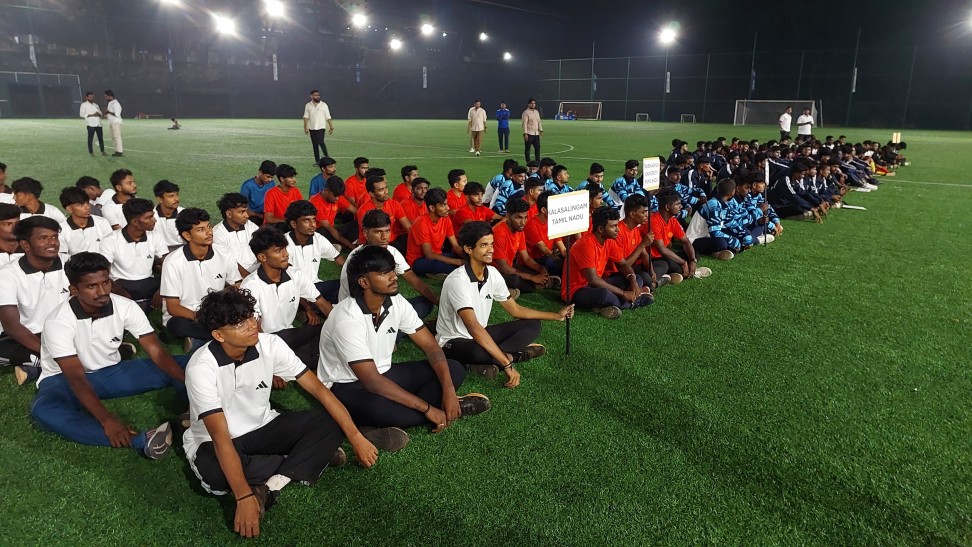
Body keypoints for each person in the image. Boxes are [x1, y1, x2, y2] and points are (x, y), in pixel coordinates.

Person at [183, 287, 390, 539]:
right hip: (217, 440)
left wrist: (356, 436)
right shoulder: (201, 367)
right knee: (216, 478)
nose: (251, 325)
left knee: (328, 422)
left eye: (250, 316)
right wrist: (244, 496)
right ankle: (311, 458)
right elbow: (220, 437)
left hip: (264, 426)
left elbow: (319, 391)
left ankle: (273, 482)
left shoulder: (270, 344)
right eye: (239, 323)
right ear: (218, 335)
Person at [320, 245, 492, 435]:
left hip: (384, 373)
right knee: (381, 410)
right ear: (364, 282)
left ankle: (387, 421)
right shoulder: (346, 317)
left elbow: (431, 347)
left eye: (393, 270)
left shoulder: (397, 302)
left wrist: (449, 390)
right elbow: (372, 382)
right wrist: (427, 408)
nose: (394, 277)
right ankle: (421, 413)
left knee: (454, 369)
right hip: (347, 385)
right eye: (384, 273)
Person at [30, 252, 188, 457]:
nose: (102, 291)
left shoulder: (125, 306)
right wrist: (107, 419)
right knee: (43, 411)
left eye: (105, 283)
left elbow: (157, 352)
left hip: (112, 373)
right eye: (91, 286)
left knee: (187, 363)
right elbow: (76, 378)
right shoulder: (58, 322)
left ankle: (192, 409)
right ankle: (141, 441)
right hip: (63, 381)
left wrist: (190, 388)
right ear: (74, 290)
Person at [437, 221, 573, 385]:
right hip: (453, 342)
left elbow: (515, 310)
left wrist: (556, 315)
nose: (491, 250)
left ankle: (491, 360)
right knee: (478, 350)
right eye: (484, 245)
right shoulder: (458, 281)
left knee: (533, 326)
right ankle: (513, 355)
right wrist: (507, 364)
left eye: (492, 244)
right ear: (468, 249)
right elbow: (473, 327)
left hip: (481, 334)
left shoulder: (492, 273)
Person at [240, 227, 331, 369]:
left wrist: (340, 328)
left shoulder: (296, 274)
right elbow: (254, 329)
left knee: (326, 328)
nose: (286, 255)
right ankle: (281, 362)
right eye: (278, 251)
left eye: (284, 249)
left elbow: (322, 303)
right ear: (262, 257)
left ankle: (290, 361)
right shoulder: (250, 286)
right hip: (267, 339)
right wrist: (267, 353)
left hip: (289, 333)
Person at [0, 216, 70, 384]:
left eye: (54, 237)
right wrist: (48, 351)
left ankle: (34, 367)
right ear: (26, 245)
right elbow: (12, 327)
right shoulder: (7, 275)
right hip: (24, 336)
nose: (52, 243)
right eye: (43, 238)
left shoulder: (70, 263)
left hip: (63, 331)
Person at [161, 208, 242, 347]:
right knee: (177, 324)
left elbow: (237, 284)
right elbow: (173, 307)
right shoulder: (172, 262)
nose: (209, 232)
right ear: (187, 235)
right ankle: (226, 336)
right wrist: (201, 317)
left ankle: (199, 341)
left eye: (209, 227)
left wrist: (222, 304)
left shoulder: (223, 253)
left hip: (216, 310)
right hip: (188, 315)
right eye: (200, 230)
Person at [338, 210, 438, 322]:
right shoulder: (357, 258)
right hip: (360, 313)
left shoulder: (392, 251)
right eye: (378, 232)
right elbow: (360, 298)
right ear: (366, 233)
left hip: (384, 305)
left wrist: (440, 304)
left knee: (425, 302)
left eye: (387, 231)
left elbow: (415, 281)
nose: (385, 237)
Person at [562, 207, 651, 319]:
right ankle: (634, 300)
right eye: (613, 226)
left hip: (598, 284)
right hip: (576, 291)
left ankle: (615, 303)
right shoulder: (586, 245)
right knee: (604, 294)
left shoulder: (609, 241)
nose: (618, 229)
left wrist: (633, 282)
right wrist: (623, 293)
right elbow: (593, 280)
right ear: (600, 229)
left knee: (638, 278)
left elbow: (623, 264)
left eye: (617, 225)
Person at [99, 198, 168, 310]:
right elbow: (102, 272)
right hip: (121, 283)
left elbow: (168, 264)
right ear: (135, 222)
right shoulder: (110, 241)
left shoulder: (155, 236)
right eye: (149, 217)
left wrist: (164, 289)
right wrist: (118, 291)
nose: (154, 220)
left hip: (148, 282)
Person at [282, 200, 345, 303]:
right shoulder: (283, 245)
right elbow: (286, 281)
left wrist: (355, 272)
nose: (313, 225)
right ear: (294, 224)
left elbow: (339, 259)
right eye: (306, 221)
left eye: (314, 220)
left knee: (347, 285)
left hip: (315, 287)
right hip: (294, 291)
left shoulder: (318, 239)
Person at [491, 198, 556, 293]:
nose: (523, 222)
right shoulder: (499, 233)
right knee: (514, 280)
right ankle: (533, 285)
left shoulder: (519, 230)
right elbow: (503, 267)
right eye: (518, 218)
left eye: (525, 217)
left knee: (534, 270)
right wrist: (532, 277)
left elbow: (526, 258)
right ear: (508, 216)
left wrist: (541, 269)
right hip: (495, 272)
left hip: (510, 267)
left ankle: (534, 284)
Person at [649, 190, 709, 281]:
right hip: (654, 258)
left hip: (665, 255)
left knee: (694, 254)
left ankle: (678, 272)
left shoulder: (672, 220)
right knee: (670, 264)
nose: (681, 206)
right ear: (667, 207)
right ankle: (676, 273)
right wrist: (683, 262)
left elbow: (686, 242)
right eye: (677, 204)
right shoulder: (654, 221)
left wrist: (692, 260)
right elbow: (662, 250)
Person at [406, 188, 464, 278]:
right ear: (432, 208)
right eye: (443, 205)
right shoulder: (421, 223)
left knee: (459, 257)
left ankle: (438, 273)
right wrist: (458, 262)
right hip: (418, 260)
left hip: (438, 255)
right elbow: (429, 255)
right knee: (450, 267)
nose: (448, 208)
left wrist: (468, 257)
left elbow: (455, 246)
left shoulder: (446, 219)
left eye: (447, 204)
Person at [693, 179, 753, 261]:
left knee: (742, 235)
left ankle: (724, 251)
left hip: (708, 235)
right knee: (721, 243)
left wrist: (745, 235)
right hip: (697, 238)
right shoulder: (714, 205)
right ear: (731, 192)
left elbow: (731, 223)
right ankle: (717, 252)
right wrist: (734, 241)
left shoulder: (724, 203)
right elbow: (715, 233)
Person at [354, 170, 410, 254]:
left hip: (391, 242)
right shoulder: (364, 211)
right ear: (372, 194)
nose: (386, 192)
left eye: (386, 188)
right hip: (372, 245)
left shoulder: (394, 204)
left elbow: (408, 227)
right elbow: (370, 237)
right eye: (381, 190)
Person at [58, 187, 113, 258]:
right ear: (69, 209)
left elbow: (111, 248)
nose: (87, 207)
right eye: (80, 205)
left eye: (87, 203)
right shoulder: (61, 230)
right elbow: (63, 257)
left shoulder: (102, 223)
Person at [212, 192, 260, 275]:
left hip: (257, 267)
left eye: (246, 211)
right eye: (242, 212)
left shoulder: (250, 225)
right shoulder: (218, 234)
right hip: (234, 275)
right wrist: (249, 278)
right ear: (229, 214)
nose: (247, 215)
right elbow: (228, 263)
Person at [309, 176, 358, 250]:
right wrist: (351, 246)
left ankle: (337, 245)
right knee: (323, 231)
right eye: (335, 196)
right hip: (320, 233)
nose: (337, 199)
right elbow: (329, 228)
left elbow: (355, 211)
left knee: (357, 224)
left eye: (339, 196)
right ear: (325, 190)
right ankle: (340, 244)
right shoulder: (315, 203)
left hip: (333, 230)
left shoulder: (337, 197)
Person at [523, 191, 566, 274]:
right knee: (554, 263)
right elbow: (544, 250)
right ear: (543, 210)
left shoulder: (553, 222)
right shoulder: (531, 225)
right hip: (537, 260)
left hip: (548, 256)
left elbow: (562, 248)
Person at [240, 160, 277, 226]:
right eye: (268, 177)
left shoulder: (271, 183)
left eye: (272, 177)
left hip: (267, 214)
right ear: (260, 172)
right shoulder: (247, 186)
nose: (269, 180)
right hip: (253, 215)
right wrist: (259, 215)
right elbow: (243, 207)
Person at [302, 89, 334, 164]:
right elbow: (306, 117)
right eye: (315, 95)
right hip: (312, 128)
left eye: (318, 95)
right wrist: (305, 127)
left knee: (320, 141)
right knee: (314, 144)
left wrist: (331, 126)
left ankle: (327, 157)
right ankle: (317, 161)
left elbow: (328, 116)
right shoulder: (308, 105)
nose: (317, 97)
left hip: (321, 127)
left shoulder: (324, 105)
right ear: (311, 96)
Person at [152, 180, 185, 251]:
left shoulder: (184, 214)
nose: (176, 199)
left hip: (181, 251)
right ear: (160, 199)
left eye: (177, 195)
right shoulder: (151, 216)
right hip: (158, 251)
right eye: (171, 196)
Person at [79, 92, 106, 157]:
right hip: (90, 124)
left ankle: (102, 151)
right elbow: (81, 114)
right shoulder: (84, 105)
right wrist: (91, 115)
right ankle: (91, 152)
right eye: (90, 97)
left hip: (98, 123)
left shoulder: (96, 105)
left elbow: (100, 114)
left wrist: (99, 114)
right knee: (90, 139)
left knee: (101, 139)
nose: (91, 98)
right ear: (87, 97)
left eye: (92, 97)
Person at [521, 98, 543, 163]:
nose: (533, 105)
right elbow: (524, 123)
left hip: (536, 133)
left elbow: (539, 121)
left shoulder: (536, 112)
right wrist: (525, 133)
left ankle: (538, 161)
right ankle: (528, 162)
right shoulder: (526, 112)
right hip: (529, 133)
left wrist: (541, 130)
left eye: (534, 103)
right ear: (529, 104)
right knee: (528, 149)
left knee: (537, 148)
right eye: (531, 103)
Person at [104, 89, 124, 157]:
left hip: (116, 122)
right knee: (113, 137)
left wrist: (108, 112)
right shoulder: (110, 103)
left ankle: (119, 151)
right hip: (111, 122)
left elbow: (117, 114)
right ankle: (117, 150)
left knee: (117, 136)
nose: (105, 98)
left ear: (110, 96)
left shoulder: (116, 104)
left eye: (106, 96)